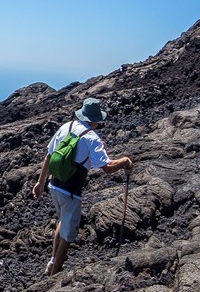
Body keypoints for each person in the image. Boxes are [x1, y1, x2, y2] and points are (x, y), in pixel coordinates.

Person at [31, 97, 132, 275]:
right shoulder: (92, 138)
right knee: (68, 238)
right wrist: (124, 161)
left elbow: (48, 155)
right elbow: (106, 167)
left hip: (53, 186)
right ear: (96, 119)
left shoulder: (67, 127)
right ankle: (54, 275)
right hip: (71, 192)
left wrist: (40, 182)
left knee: (63, 221)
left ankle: (52, 262)